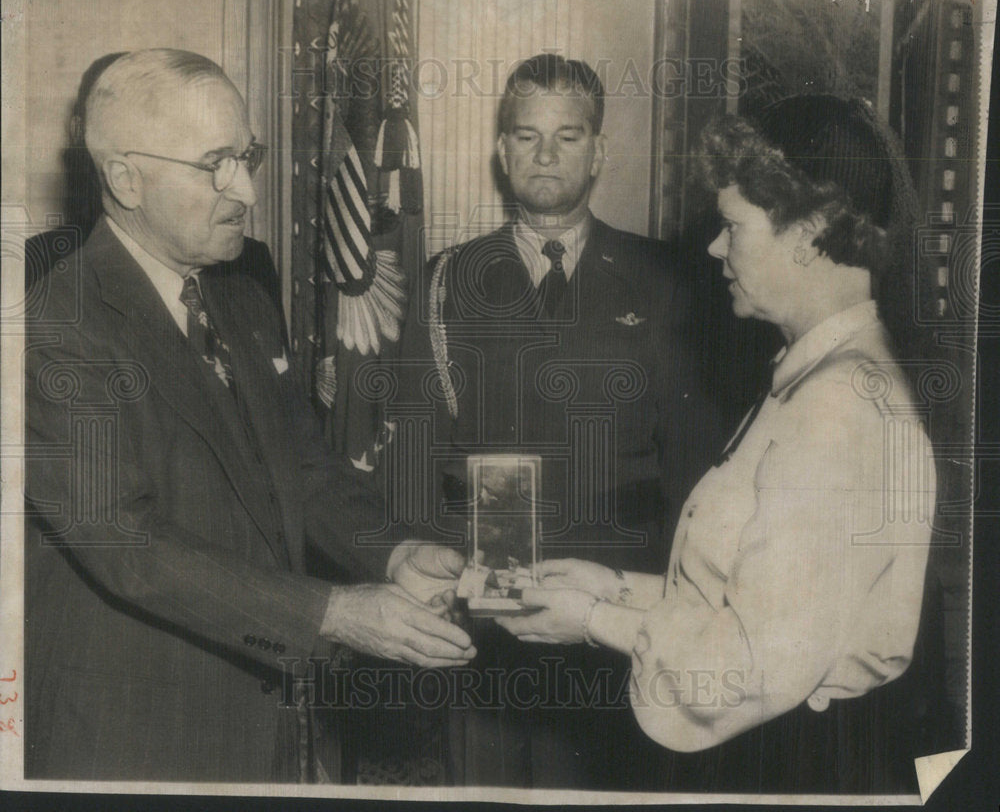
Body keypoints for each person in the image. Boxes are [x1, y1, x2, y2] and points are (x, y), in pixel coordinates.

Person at [23, 48, 473, 783]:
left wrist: (388, 552)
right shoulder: (53, 328)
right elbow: (129, 547)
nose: (247, 191)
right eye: (215, 165)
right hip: (130, 729)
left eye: (248, 156)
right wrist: (334, 613)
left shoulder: (240, 299)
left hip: (258, 718)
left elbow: (301, 465)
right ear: (126, 178)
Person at [499, 95, 936, 793]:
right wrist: (609, 585)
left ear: (808, 233)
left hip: (796, 768)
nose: (715, 247)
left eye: (733, 226)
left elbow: (740, 667)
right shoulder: (823, 371)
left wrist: (593, 621)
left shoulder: (837, 409)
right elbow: (748, 600)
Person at [392, 54, 719, 788]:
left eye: (567, 137)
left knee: (611, 788)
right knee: (488, 783)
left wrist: (670, 600)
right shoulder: (448, 280)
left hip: (617, 593)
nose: (545, 155)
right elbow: (415, 445)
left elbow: (693, 466)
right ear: (501, 149)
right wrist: (437, 577)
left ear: (599, 151)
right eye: (526, 135)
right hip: (489, 595)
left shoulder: (667, 281)